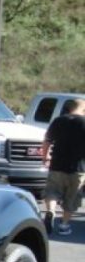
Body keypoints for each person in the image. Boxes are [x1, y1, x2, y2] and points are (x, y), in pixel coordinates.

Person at [42, 98, 85, 235]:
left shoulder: (58, 121)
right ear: (83, 108)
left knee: (52, 192)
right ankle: (64, 225)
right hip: (78, 167)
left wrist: (45, 156)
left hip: (57, 165)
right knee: (72, 198)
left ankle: (50, 211)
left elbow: (47, 141)